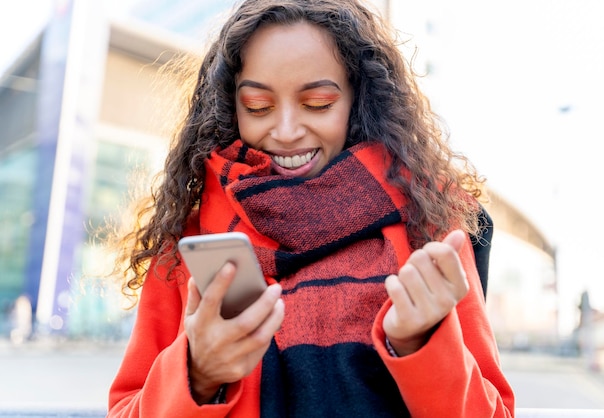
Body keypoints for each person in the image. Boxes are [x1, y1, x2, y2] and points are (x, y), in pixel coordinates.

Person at [107, 0, 515, 416]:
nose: (285, 131)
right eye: (258, 107)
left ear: (359, 102)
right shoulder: (189, 245)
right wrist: (197, 374)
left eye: (318, 103)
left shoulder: (431, 228)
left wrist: (422, 345)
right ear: (233, 107)